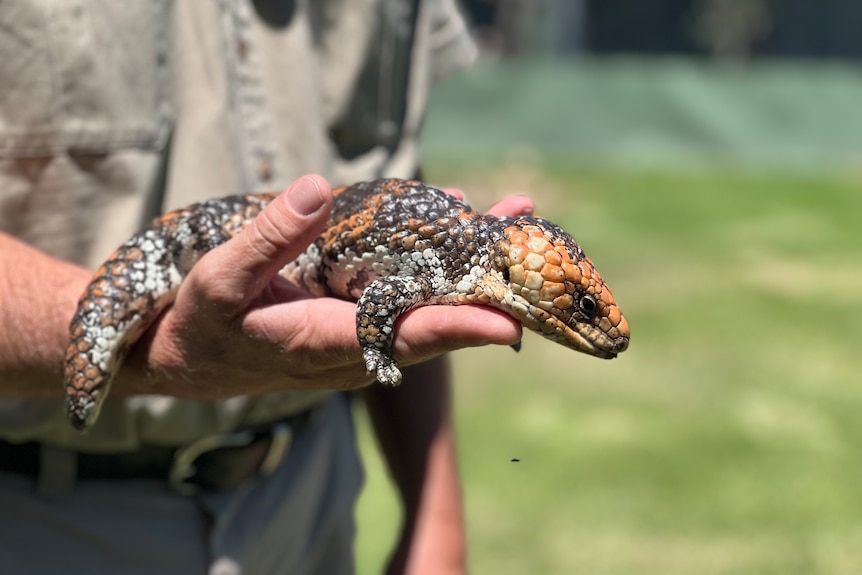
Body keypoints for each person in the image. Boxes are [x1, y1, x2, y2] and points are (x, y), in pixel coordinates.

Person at [0, 2, 533, 574]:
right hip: (50, 522)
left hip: (312, 497)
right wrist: (158, 353)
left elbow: (396, 179)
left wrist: (435, 519)